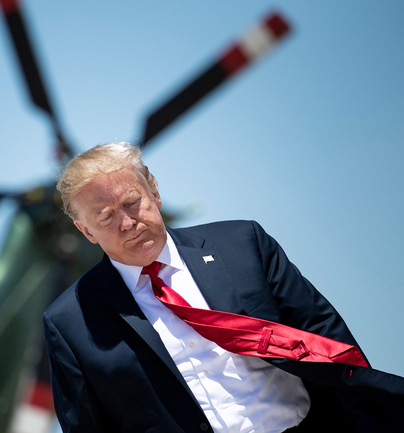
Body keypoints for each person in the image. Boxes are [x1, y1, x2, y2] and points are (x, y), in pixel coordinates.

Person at [43, 142, 404, 433]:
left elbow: (328, 338)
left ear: (154, 190)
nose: (127, 222)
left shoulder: (243, 244)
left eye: (132, 202)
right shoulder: (69, 322)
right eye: (105, 217)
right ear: (85, 231)